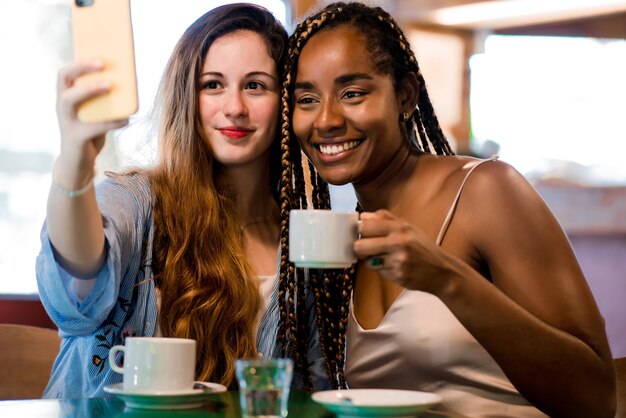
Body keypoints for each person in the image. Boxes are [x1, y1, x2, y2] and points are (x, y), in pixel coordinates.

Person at [279, 2, 616, 417]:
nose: (326, 119)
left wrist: (446, 277)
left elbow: (596, 398)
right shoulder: (351, 240)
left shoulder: (486, 190)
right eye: (307, 99)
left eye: (353, 93)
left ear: (404, 95)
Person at [37, 3, 326, 398]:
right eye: (213, 84)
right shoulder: (137, 201)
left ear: (285, 102)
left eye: (255, 85)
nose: (235, 107)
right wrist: (75, 160)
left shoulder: (304, 243)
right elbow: (76, 286)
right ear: (186, 95)